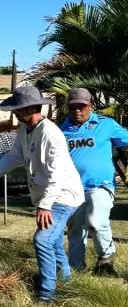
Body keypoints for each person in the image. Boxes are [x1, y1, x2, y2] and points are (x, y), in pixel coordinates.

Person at [0, 85, 84, 303]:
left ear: (32, 108)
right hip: (48, 196)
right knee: (52, 243)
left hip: (63, 195)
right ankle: (68, 284)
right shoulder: (24, 131)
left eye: (18, 108)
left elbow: (57, 174)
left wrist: (45, 205)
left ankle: (46, 296)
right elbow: (13, 158)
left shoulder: (51, 134)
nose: (14, 112)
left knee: (42, 241)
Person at [59, 88, 128, 275]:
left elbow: (125, 140)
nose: (77, 111)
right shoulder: (60, 130)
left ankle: (105, 260)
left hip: (101, 185)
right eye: (73, 107)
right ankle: (76, 269)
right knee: (74, 231)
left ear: (90, 106)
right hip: (72, 190)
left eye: (82, 106)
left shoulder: (106, 124)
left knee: (95, 221)